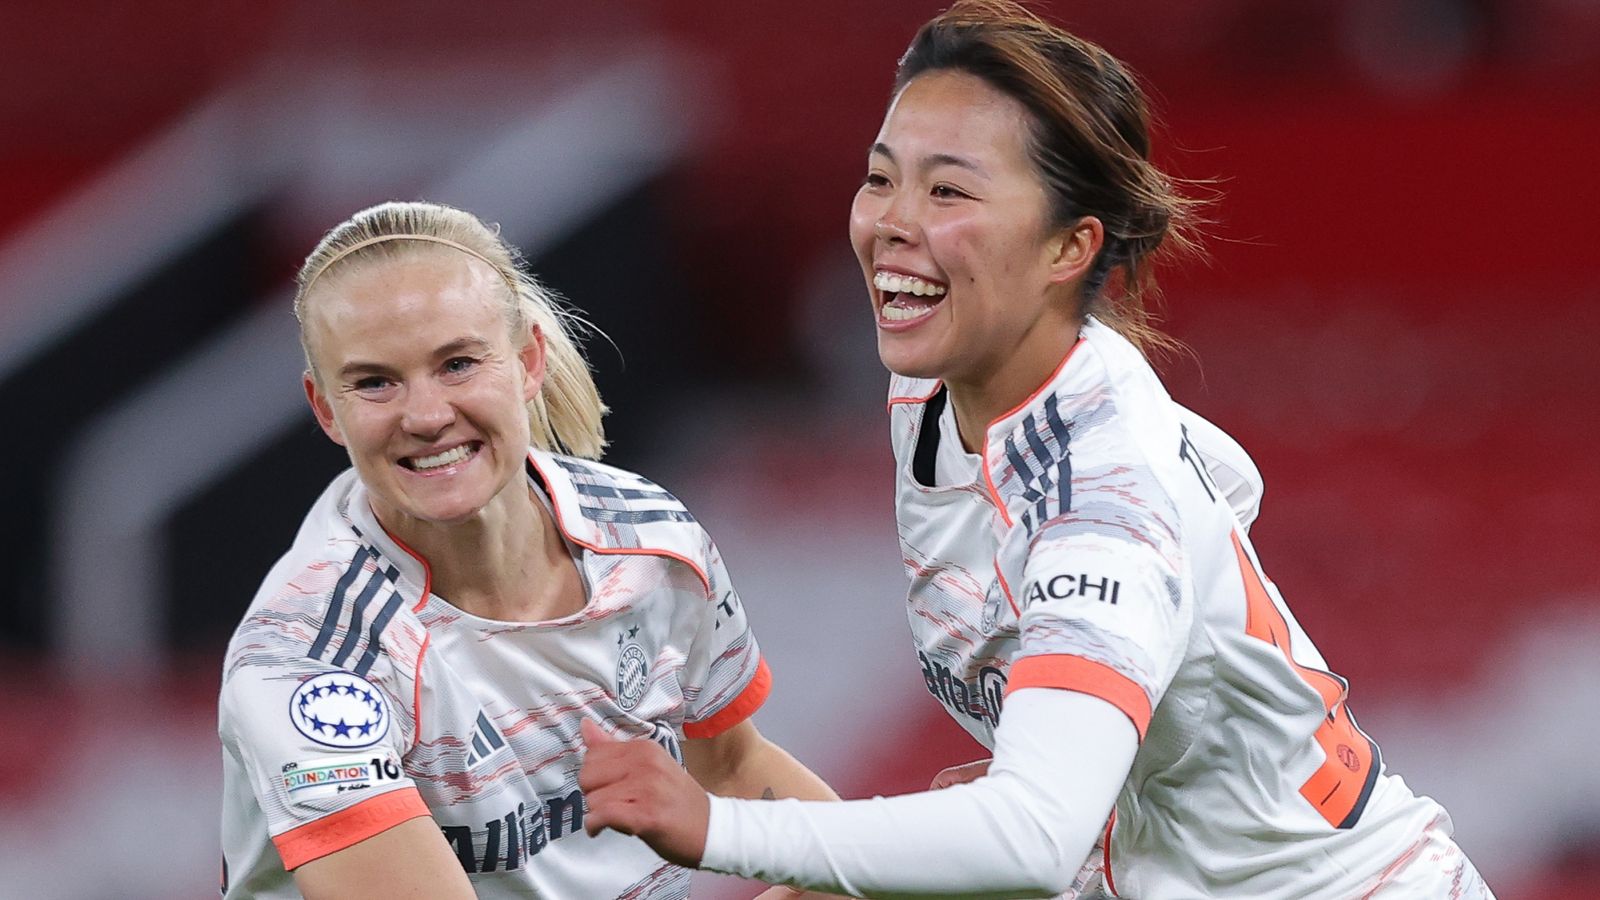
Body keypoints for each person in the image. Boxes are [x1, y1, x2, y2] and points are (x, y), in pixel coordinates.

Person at [576, 2, 1495, 897]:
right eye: (881, 178)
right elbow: (1225, 482)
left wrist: (716, 828)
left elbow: (1031, 840)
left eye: (948, 191)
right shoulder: (943, 381)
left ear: (1069, 247)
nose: (891, 221)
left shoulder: (1100, 498)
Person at [217, 200, 841, 899]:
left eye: (457, 364)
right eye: (374, 383)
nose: (426, 416)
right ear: (325, 408)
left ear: (528, 361)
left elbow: (730, 767)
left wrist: (884, 865)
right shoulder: (306, 663)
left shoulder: (650, 540)